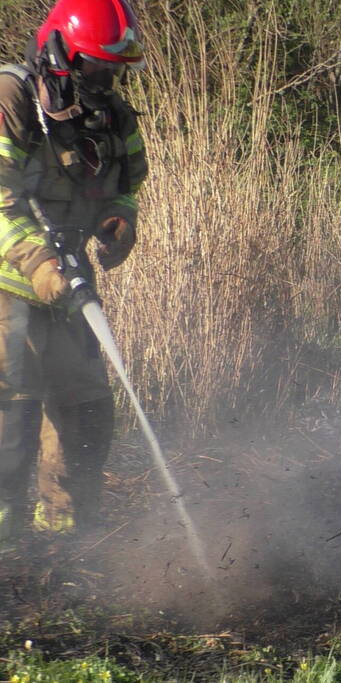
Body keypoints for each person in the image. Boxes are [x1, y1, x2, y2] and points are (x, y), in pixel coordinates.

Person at [0, 0, 147, 550]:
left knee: (87, 409)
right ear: (59, 53)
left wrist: (120, 221)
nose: (106, 80)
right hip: (9, 278)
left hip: (70, 283)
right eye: (95, 67)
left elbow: (127, 184)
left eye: (115, 70)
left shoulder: (113, 117)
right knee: (10, 409)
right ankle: (6, 549)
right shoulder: (12, 97)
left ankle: (66, 539)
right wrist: (38, 262)